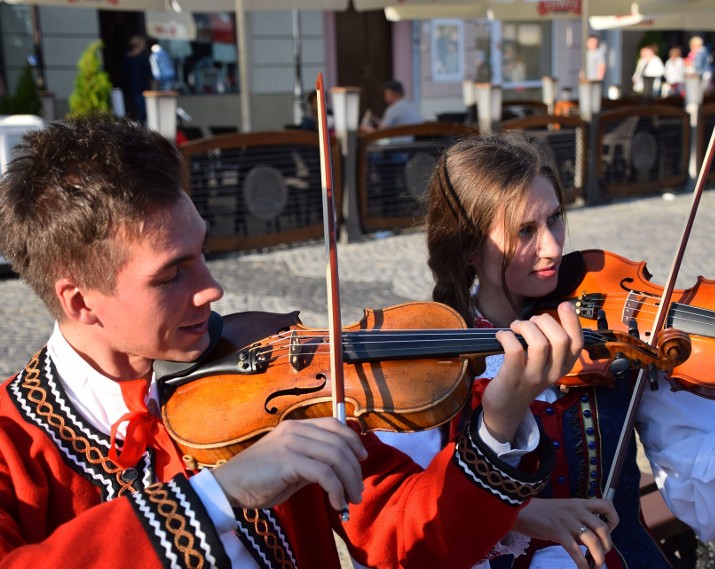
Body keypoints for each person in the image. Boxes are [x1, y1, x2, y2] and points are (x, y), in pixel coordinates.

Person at [0, 115, 586, 567]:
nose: (213, 288)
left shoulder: (274, 379)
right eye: (172, 273)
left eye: (204, 253)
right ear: (80, 301)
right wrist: (216, 494)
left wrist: (499, 423)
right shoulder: (11, 440)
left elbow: (412, 541)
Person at [419, 133, 715, 568]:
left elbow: (707, 466)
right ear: (471, 247)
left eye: (554, 219)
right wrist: (520, 515)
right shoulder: (437, 363)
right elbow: (417, 509)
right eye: (525, 231)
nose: (552, 247)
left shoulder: (618, 338)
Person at [122, 35, 150, 123]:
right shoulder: (139, 59)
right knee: (141, 112)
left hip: (137, 89)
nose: (144, 46)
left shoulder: (129, 58)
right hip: (137, 90)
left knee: (140, 112)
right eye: (143, 44)